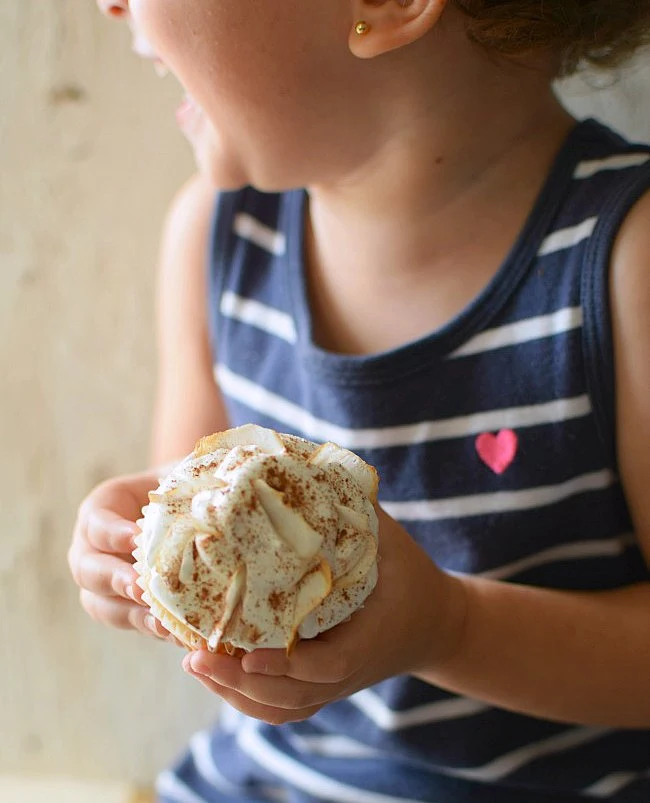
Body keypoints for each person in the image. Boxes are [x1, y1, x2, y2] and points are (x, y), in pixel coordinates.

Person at [68, 1, 650, 800]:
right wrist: (132, 556)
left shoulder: (626, 260)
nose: (111, 5)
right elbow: (183, 503)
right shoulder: (217, 235)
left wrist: (450, 626)